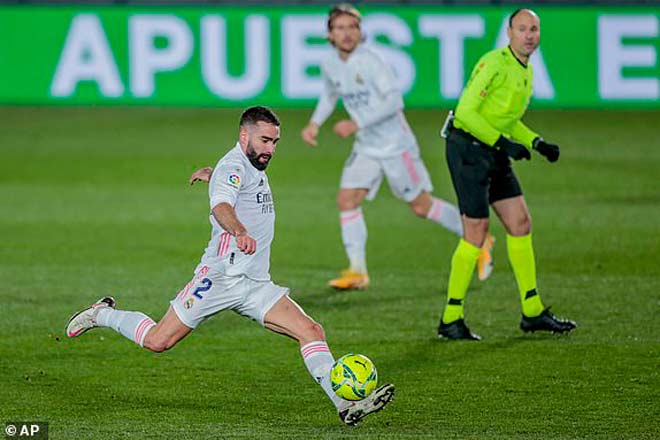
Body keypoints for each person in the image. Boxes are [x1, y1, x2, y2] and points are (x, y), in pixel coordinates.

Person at [65, 106, 395, 425]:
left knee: (310, 331)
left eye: (275, 142)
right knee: (158, 341)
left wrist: (213, 176)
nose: (271, 149)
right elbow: (222, 203)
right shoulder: (233, 167)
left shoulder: (244, 166)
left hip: (255, 283)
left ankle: (345, 405)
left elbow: (232, 185)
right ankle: (101, 313)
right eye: (265, 141)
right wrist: (238, 229)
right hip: (220, 276)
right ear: (244, 135)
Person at [300, 3, 495, 290]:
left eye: (352, 27)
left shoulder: (372, 61)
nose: (347, 33)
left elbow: (394, 102)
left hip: (396, 147)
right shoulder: (330, 63)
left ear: (360, 31)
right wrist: (314, 123)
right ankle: (357, 271)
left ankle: (479, 238)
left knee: (420, 206)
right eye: (340, 28)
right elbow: (330, 94)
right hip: (367, 147)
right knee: (347, 200)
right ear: (330, 34)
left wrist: (356, 123)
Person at [437, 9, 576, 340]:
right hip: (467, 148)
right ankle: (451, 317)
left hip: (493, 148)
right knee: (477, 232)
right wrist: (505, 144)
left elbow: (506, 118)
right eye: (522, 29)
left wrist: (536, 142)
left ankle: (532, 311)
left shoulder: (524, 70)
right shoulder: (494, 63)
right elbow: (467, 112)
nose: (529, 35)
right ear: (509, 32)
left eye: (534, 29)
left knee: (520, 223)